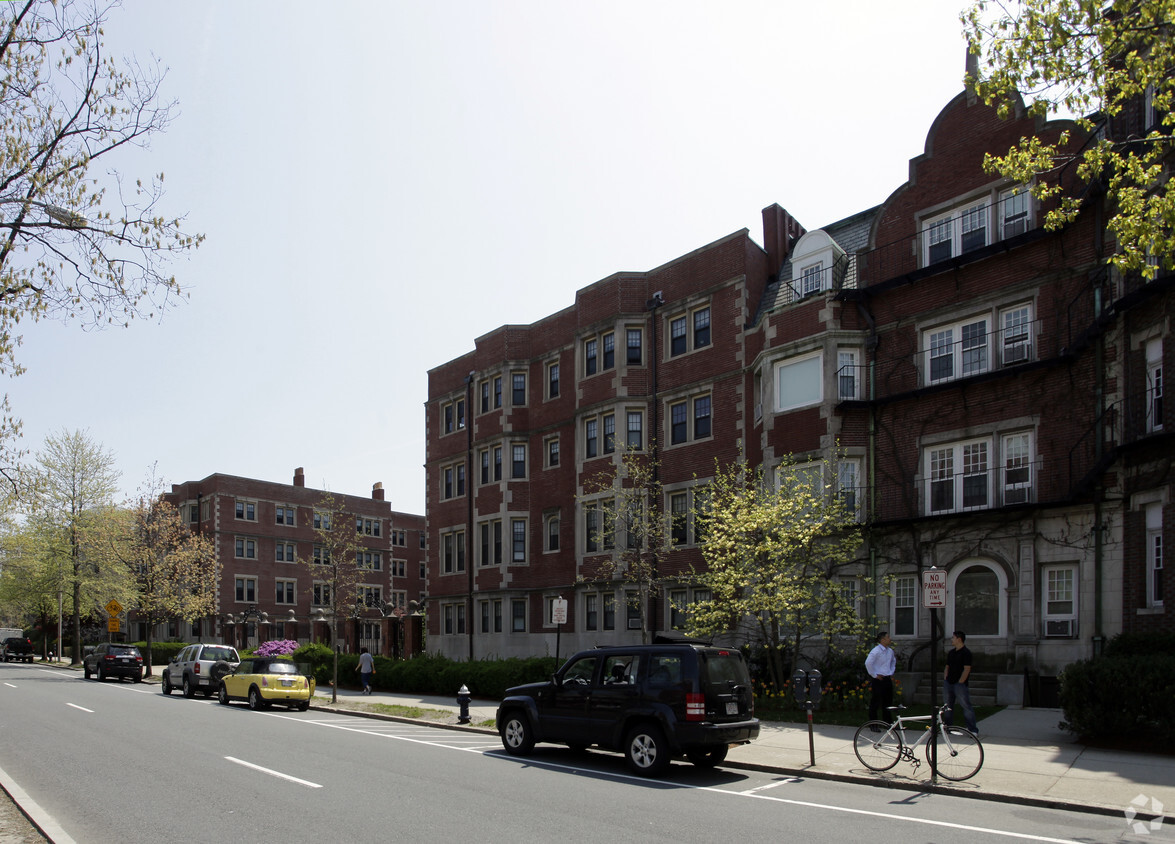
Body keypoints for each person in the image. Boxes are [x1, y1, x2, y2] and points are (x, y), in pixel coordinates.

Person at [943, 630, 978, 733]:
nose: (951, 640)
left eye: (953, 638)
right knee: (947, 706)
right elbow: (947, 666)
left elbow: (967, 669)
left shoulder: (966, 653)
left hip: (959, 684)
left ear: (959, 639)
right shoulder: (951, 653)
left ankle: (972, 729)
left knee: (966, 705)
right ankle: (947, 727)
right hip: (949, 682)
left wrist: (961, 681)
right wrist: (946, 677)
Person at [865, 630, 896, 724]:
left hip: (887, 678)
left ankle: (887, 722)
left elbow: (893, 661)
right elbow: (868, 663)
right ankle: (873, 723)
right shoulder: (876, 651)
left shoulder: (890, 651)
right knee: (876, 701)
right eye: (888, 637)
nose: (890, 639)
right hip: (878, 679)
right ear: (882, 640)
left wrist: (891, 671)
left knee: (888, 702)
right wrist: (874, 674)